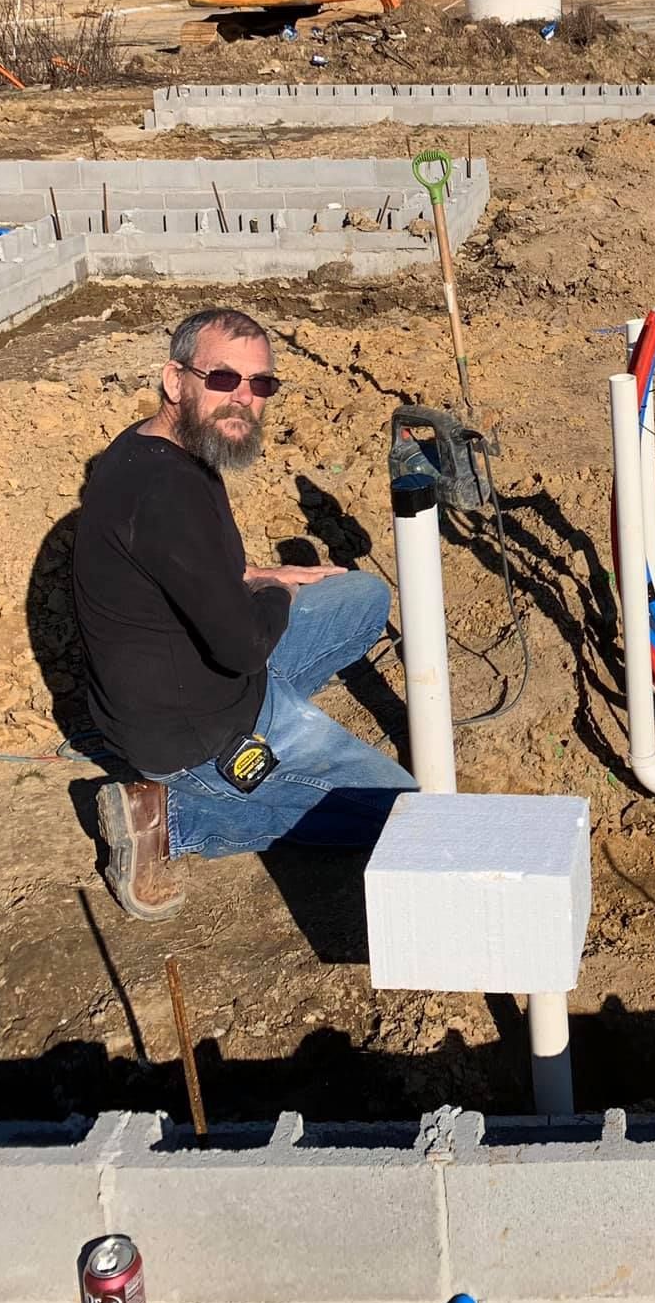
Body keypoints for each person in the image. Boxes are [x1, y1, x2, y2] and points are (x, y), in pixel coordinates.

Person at [73, 306, 415, 920]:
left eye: (261, 385)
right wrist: (278, 593)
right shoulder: (168, 492)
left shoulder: (150, 448)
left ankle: (277, 712)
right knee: (405, 813)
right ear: (175, 380)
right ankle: (172, 816)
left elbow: (172, 566)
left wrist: (258, 575)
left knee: (362, 597)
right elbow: (242, 647)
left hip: (195, 671)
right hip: (196, 731)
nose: (244, 400)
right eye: (224, 379)